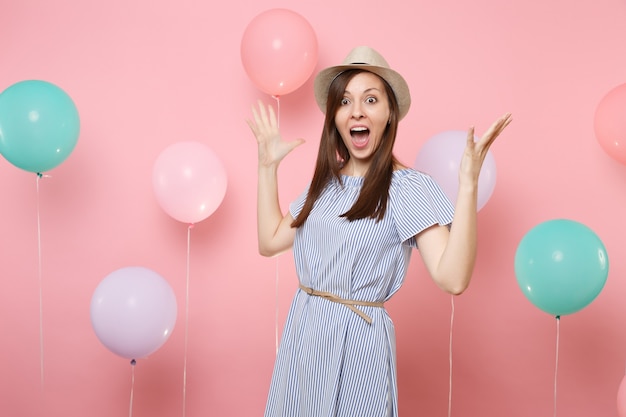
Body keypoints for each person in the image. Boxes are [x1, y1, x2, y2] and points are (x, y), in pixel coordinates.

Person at [247, 46, 512, 417]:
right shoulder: (324, 187)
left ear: (389, 115)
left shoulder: (410, 188)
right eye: (345, 101)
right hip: (303, 338)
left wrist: (467, 185)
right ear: (335, 117)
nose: (357, 110)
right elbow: (270, 242)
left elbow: (453, 279)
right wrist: (266, 167)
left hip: (359, 344)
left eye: (371, 100)